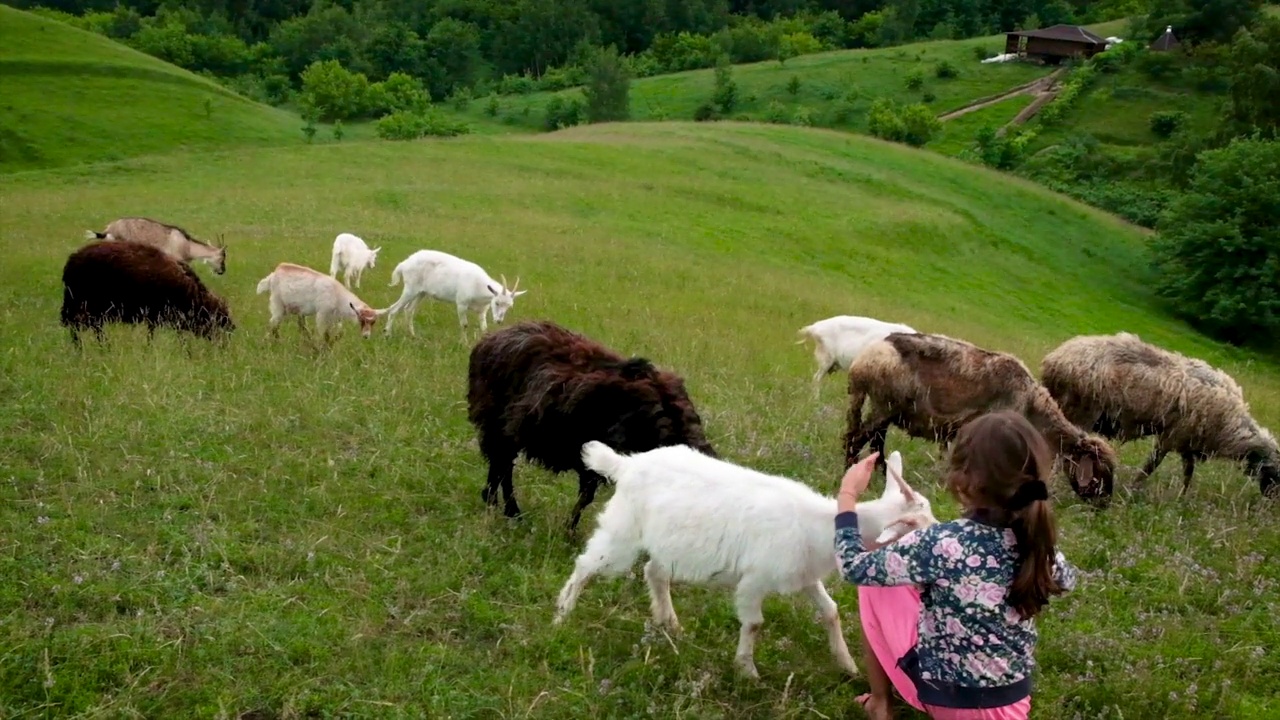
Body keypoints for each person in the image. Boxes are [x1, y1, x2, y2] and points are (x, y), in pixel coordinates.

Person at [833, 411, 1079, 720]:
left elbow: (853, 566)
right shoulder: (1038, 544)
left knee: (873, 583)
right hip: (1013, 703)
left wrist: (847, 495)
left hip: (952, 703)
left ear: (965, 480)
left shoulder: (939, 544)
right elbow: (1068, 580)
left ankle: (880, 703)